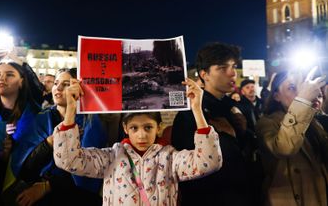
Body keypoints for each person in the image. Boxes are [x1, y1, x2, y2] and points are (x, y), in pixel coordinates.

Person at [53, 77, 222, 205]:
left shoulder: (170, 158)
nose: (141, 135)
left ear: (159, 128)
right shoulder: (111, 157)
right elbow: (69, 160)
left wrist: (197, 111)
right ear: (125, 128)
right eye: (134, 128)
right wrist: (71, 112)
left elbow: (209, 161)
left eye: (148, 127)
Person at [171, 42, 256, 206]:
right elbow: (185, 167)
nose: (232, 73)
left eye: (234, 66)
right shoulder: (190, 113)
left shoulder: (235, 108)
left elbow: (248, 152)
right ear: (204, 74)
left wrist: (243, 132)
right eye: (223, 68)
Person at [15, 68, 107, 206]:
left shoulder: (91, 121)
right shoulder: (41, 118)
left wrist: (48, 186)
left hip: (76, 196)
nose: (57, 88)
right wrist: (50, 142)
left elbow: (89, 171)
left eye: (65, 84)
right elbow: (26, 168)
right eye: (56, 83)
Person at [255, 67, 328, 205]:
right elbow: (284, 148)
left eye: (302, 87)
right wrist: (302, 101)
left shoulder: (314, 122)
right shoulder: (267, 122)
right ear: (276, 96)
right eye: (292, 87)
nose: (300, 92)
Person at [0, 58, 40, 205]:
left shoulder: (36, 114)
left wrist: (11, 152)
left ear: (22, 82)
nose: (1, 78)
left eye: (9, 74)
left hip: (19, 188)